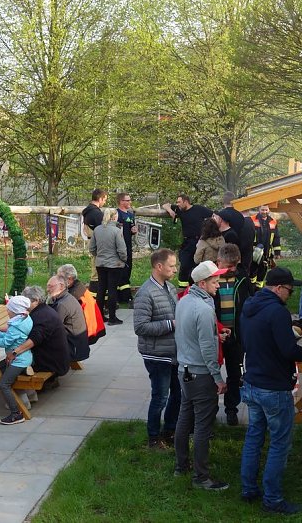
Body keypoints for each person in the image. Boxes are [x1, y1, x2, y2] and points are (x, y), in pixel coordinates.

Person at [239, 266, 302, 514]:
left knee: (254, 437)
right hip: (274, 388)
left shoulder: (249, 307)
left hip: (252, 383)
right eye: (288, 290)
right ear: (277, 288)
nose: (290, 294)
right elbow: (288, 350)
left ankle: (248, 488)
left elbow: (255, 342)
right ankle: (273, 499)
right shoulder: (276, 312)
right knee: (279, 443)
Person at [174, 260, 229, 491]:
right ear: (202, 283)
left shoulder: (184, 300)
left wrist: (215, 338)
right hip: (201, 375)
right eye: (215, 281)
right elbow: (207, 349)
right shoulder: (205, 309)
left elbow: (190, 336)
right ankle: (202, 477)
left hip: (183, 370)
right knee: (203, 427)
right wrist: (218, 378)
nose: (219, 285)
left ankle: (181, 466)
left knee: (184, 418)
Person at [134, 248, 180, 449]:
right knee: (160, 397)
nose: (175, 269)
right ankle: (153, 437)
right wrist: (172, 324)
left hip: (173, 353)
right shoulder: (145, 293)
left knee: (178, 394)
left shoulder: (170, 288)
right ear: (159, 266)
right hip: (156, 355)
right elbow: (140, 327)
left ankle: (169, 431)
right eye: (171, 266)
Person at [214, 244, 254, 426]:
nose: (231, 270)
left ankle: (231, 409)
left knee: (234, 374)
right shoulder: (210, 279)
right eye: (227, 266)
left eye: (234, 266)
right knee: (211, 373)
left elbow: (250, 303)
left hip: (236, 336)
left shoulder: (243, 279)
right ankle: (211, 408)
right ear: (218, 261)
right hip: (215, 335)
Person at [6, 286, 70, 389]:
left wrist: (15, 352)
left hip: (50, 362)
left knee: (9, 366)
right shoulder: (44, 310)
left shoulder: (41, 316)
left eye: (26, 302)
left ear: (36, 301)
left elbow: (34, 340)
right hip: (57, 357)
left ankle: (23, 393)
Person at [0, 295, 33, 425]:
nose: (7, 312)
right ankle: (29, 395)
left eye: (9, 310)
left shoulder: (15, 326)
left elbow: (5, 342)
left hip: (18, 360)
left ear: (15, 311)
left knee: (3, 384)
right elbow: (9, 337)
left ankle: (16, 413)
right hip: (23, 357)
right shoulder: (24, 319)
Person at [163, 194, 214, 288]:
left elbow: (214, 215)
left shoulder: (199, 209)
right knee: (185, 265)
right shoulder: (180, 210)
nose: (177, 204)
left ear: (186, 201)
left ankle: (196, 287)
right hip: (187, 242)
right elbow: (165, 205)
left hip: (199, 242)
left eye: (179, 202)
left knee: (198, 265)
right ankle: (182, 289)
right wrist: (170, 211)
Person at [90, 208, 128, 325]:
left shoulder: (97, 230)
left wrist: (99, 256)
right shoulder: (116, 231)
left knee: (101, 290)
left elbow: (92, 248)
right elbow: (122, 250)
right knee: (112, 290)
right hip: (114, 265)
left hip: (100, 264)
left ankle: (99, 317)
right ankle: (112, 318)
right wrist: (123, 259)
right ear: (114, 217)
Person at [57, 264, 106, 344]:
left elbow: (62, 316)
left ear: (69, 279)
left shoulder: (74, 295)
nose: (57, 280)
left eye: (59, 278)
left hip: (83, 332)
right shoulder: (79, 287)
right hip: (90, 329)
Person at [47, 275, 89, 361]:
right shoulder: (67, 297)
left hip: (74, 348)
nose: (47, 289)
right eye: (47, 286)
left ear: (61, 286)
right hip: (79, 345)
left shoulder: (62, 304)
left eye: (50, 286)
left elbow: (52, 327)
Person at [220, 191, 254, 276]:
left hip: (225, 254)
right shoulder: (243, 219)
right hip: (244, 253)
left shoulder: (220, 216)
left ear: (223, 201)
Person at [82, 188, 108, 294]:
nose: (105, 202)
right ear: (100, 198)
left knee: (95, 269)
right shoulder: (96, 214)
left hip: (92, 242)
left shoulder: (88, 211)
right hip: (98, 244)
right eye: (104, 200)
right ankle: (96, 297)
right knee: (97, 272)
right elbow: (103, 230)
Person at [250, 205, 282, 287]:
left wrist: (277, 252)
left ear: (269, 210)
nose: (264, 212)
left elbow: (276, 237)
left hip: (267, 251)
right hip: (255, 251)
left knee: (263, 270)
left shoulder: (273, 221)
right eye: (262, 210)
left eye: (266, 210)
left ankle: (258, 288)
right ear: (258, 209)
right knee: (253, 269)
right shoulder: (252, 219)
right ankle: (251, 287)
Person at [116, 192, 138, 304]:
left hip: (128, 246)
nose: (130, 202)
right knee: (120, 270)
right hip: (119, 247)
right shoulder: (116, 214)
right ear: (121, 201)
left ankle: (125, 296)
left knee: (128, 269)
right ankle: (122, 296)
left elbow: (131, 228)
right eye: (127, 200)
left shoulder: (130, 215)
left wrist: (133, 231)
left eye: (130, 200)